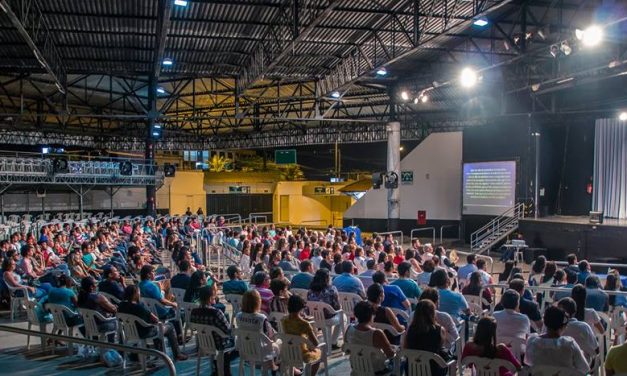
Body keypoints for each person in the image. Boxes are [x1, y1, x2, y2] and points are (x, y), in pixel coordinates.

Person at [118, 285, 188, 361]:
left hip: (128, 332)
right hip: (144, 332)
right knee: (169, 326)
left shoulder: (121, 306)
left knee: (155, 326)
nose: (140, 294)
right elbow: (155, 319)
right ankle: (177, 354)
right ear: (135, 294)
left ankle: (159, 351)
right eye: (139, 292)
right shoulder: (138, 307)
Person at [525, 306, 589, 372]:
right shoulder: (570, 344)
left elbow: (528, 363)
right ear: (564, 325)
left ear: (545, 323)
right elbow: (584, 368)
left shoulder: (532, 342)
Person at [190, 286, 234, 376]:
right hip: (220, 344)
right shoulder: (216, 312)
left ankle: (217, 367)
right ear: (210, 298)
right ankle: (223, 369)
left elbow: (193, 327)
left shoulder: (194, 311)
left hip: (203, 344)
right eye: (214, 296)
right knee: (236, 344)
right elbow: (228, 331)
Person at [345, 301, 395, 374]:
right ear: (371, 315)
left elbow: (347, 349)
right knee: (398, 363)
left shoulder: (349, 329)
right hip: (376, 370)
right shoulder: (377, 333)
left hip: (356, 366)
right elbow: (390, 354)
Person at [235, 290, 280, 370]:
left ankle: (271, 363)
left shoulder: (238, 316)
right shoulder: (261, 318)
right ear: (258, 302)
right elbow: (269, 335)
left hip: (245, 348)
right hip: (260, 351)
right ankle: (277, 365)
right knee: (279, 341)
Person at [404, 300, 449, 376]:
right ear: (432, 313)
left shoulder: (410, 329)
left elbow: (405, 347)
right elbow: (439, 347)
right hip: (433, 371)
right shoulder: (439, 330)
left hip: (412, 369)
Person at [281, 295, 322, 376]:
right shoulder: (305, 324)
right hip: (302, 353)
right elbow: (316, 343)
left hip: (288, 351)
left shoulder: (284, 320)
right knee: (319, 355)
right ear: (301, 307)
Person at [137, 265, 181, 338]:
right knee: (179, 314)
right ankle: (178, 335)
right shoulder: (151, 285)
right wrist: (173, 304)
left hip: (150, 311)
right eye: (153, 272)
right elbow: (162, 300)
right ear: (148, 274)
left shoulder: (139, 285)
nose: (154, 274)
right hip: (160, 313)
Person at [307, 268, 342, 348]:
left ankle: (330, 341)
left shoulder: (310, 291)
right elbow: (337, 307)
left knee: (328, 317)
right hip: (328, 318)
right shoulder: (332, 289)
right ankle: (333, 341)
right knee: (343, 317)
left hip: (315, 318)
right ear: (326, 278)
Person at [77, 276, 118, 341]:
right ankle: (112, 344)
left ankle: (97, 345)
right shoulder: (98, 297)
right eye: (95, 284)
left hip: (86, 325)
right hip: (100, 325)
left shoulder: (80, 297)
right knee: (117, 322)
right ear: (91, 287)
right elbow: (114, 309)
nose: (97, 285)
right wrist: (114, 306)